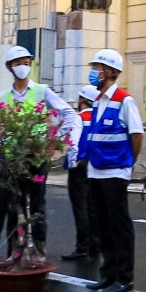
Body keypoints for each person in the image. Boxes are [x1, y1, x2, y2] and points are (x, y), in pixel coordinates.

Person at [0, 45, 81, 262]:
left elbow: (68, 113)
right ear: (9, 67)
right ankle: (14, 252)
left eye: (26, 63)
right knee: (12, 205)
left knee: (37, 204)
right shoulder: (4, 96)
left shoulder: (41, 91)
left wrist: (54, 141)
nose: (23, 68)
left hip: (36, 157)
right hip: (11, 159)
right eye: (18, 64)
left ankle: (38, 252)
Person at [79, 49, 143, 292]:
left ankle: (125, 277)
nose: (94, 73)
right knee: (102, 225)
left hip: (115, 172)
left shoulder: (124, 100)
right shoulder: (98, 101)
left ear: (111, 72)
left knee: (119, 226)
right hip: (96, 171)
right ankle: (108, 274)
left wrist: (128, 164)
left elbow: (136, 135)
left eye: (98, 68)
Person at [62, 82, 99, 263]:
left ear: (83, 99)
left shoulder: (79, 118)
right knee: (93, 206)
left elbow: (73, 143)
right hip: (96, 165)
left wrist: (71, 163)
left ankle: (82, 247)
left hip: (80, 165)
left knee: (80, 206)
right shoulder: (99, 117)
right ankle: (95, 245)